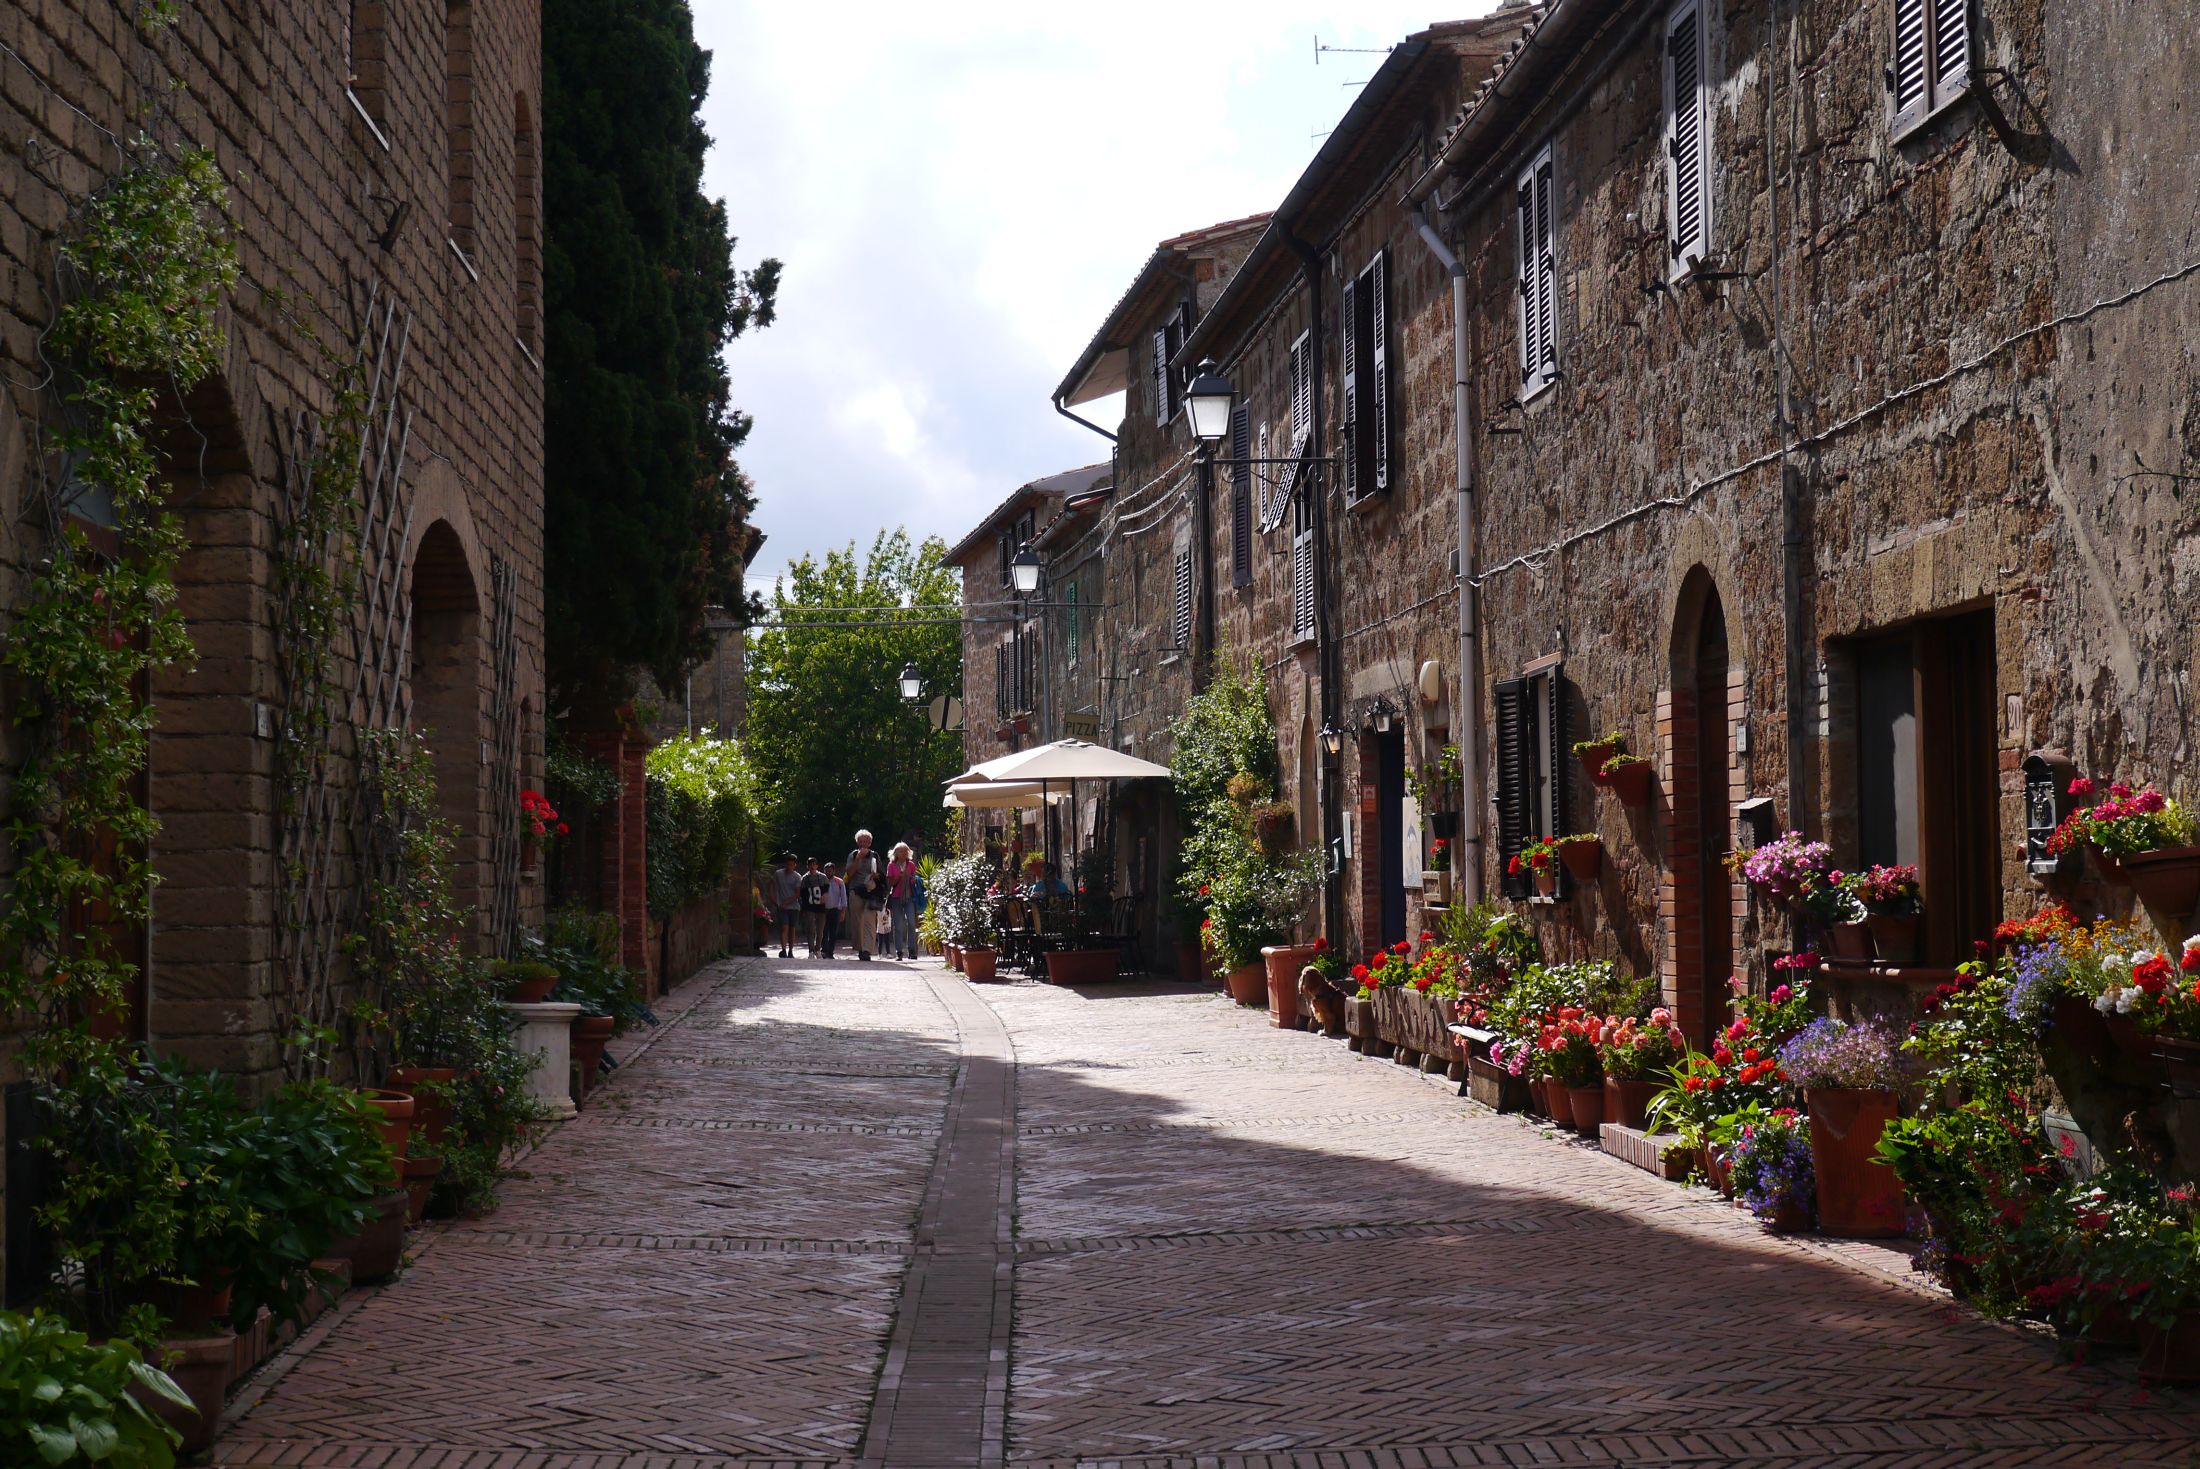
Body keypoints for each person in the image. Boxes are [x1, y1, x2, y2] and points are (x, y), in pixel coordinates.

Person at [845, 828, 886, 962]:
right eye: (860, 841)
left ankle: (867, 950)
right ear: (857, 843)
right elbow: (850, 874)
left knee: (869, 921)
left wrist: (877, 876)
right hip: (856, 890)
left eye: (866, 841)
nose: (863, 844)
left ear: (870, 843)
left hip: (871, 891)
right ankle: (860, 948)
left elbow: (881, 874)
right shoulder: (853, 855)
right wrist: (858, 858)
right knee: (857, 921)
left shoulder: (875, 856)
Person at [886, 842, 920, 961]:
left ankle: (912, 950)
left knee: (911, 923)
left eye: (906, 851)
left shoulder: (911, 865)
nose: (904, 853)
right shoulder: (891, 866)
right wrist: (898, 877)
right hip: (896, 897)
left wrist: (913, 880)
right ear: (896, 853)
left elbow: (914, 880)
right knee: (898, 925)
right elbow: (889, 884)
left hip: (909, 897)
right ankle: (899, 951)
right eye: (901, 851)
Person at [768, 854, 802, 958]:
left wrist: (786, 902)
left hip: (793, 907)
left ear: (795, 865)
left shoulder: (797, 877)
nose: (789, 867)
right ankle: (783, 949)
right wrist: (773, 899)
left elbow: (797, 894)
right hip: (782, 907)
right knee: (784, 927)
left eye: (791, 865)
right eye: (787, 864)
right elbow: (770, 885)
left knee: (792, 929)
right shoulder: (778, 874)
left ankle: (791, 950)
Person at [799, 857, 830, 957]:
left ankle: (818, 949)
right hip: (809, 906)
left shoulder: (823, 877)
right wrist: (803, 908)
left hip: (820, 907)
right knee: (811, 929)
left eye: (814, 864)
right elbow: (802, 895)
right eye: (810, 864)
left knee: (820, 930)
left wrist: (825, 895)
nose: (812, 866)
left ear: (817, 866)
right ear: (807, 866)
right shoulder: (804, 879)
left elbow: (826, 890)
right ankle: (811, 950)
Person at [822, 862, 848, 959]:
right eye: (826, 871)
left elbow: (844, 897)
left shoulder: (839, 882)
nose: (828, 872)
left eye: (830, 871)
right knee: (823, 932)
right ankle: (823, 951)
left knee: (833, 933)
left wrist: (843, 912)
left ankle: (830, 952)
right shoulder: (821, 880)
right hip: (823, 910)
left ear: (834, 871)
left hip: (835, 910)